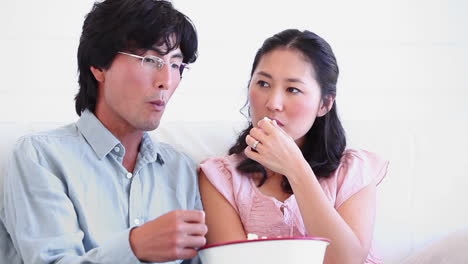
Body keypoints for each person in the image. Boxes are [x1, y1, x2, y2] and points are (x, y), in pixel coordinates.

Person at [0, 0, 207, 263]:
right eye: (150, 60)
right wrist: (133, 247)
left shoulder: (181, 168)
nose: (166, 80)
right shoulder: (40, 157)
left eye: (176, 65)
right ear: (99, 66)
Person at [199, 29, 389, 264]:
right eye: (263, 83)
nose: (273, 103)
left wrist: (295, 168)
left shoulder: (353, 170)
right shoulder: (220, 177)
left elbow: (346, 260)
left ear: (325, 103)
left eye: (293, 89)